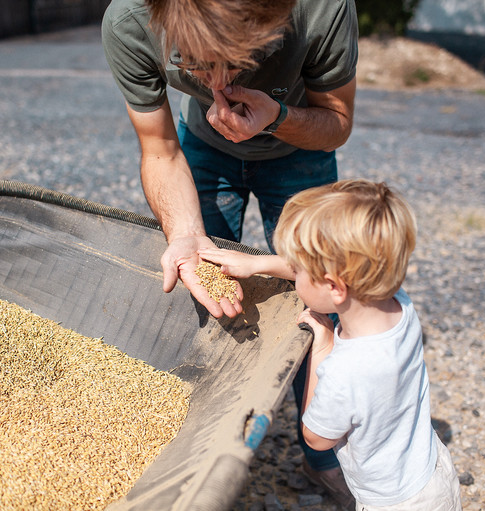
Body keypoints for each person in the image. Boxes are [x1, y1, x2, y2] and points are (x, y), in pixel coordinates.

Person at [102, 0, 358, 502]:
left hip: (300, 151)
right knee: (201, 291)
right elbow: (158, 149)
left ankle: (323, 454)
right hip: (201, 148)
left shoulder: (321, 9)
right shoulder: (130, 21)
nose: (217, 86)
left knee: (324, 299)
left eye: (236, 65)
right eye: (197, 68)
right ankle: (197, 447)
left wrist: (278, 117)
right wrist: (184, 236)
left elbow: (338, 121)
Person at [199, 179, 463, 510]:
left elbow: (316, 436)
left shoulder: (346, 369)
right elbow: (325, 273)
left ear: (335, 287)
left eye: (298, 269)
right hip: (433, 470)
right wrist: (257, 263)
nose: (293, 272)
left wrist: (322, 346)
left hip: (393, 501)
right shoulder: (398, 304)